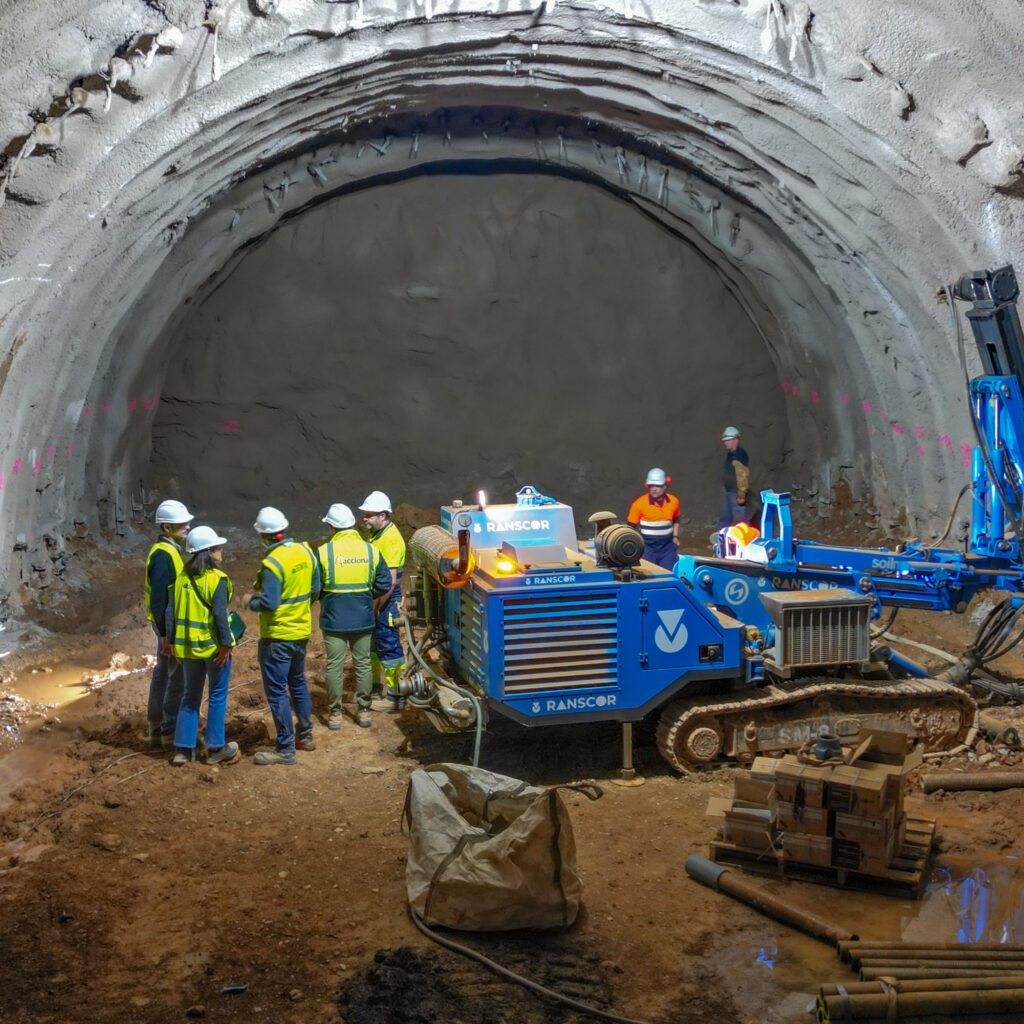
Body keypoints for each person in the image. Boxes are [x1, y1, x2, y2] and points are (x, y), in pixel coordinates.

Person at [243, 507, 320, 765]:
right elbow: (316, 589)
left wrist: (249, 602)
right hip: (301, 631)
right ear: (284, 530)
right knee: (297, 682)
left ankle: (285, 748)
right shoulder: (305, 552)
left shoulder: (272, 564)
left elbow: (269, 603)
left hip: (277, 636)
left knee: (277, 691)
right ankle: (305, 737)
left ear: (263, 536)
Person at [166, 525, 240, 767]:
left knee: (190, 695)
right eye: (217, 547)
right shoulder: (217, 579)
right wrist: (226, 645)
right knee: (217, 695)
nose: (221, 550)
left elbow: (170, 614)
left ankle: (182, 750)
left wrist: (172, 644)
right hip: (213, 649)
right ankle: (217, 748)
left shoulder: (181, 579)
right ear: (208, 552)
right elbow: (219, 616)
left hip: (187, 649)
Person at [316, 503, 392, 730]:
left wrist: (327, 598)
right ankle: (364, 711)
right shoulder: (371, 551)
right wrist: (366, 597)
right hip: (363, 618)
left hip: (334, 620)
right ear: (352, 525)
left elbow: (315, 587)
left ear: (332, 528)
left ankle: (335, 715)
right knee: (363, 665)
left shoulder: (323, 552)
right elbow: (384, 583)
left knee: (334, 666)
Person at [144, 499, 193, 749]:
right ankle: (167, 729)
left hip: (167, 624)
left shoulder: (168, 551)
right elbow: (159, 599)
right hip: (167, 627)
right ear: (166, 527)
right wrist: (165, 636)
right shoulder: (163, 556)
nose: (188, 526)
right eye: (182, 523)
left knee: (164, 673)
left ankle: (157, 729)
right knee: (175, 676)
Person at [358, 491, 407, 711]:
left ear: (383, 515)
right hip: (377, 598)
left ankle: (396, 697)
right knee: (374, 645)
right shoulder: (377, 535)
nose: (365, 519)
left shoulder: (391, 539)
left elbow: (390, 582)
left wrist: (375, 607)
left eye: (369, 515)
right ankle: (374, 688)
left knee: (389, 645)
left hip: (386, 600)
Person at [626, 468, 681, 569]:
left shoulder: (673, 501)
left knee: (669, 574)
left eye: (658, 486)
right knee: (647, 574)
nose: (654, 489)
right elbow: (630, 528)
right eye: (652, 485)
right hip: (647, 548)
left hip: (667, 548)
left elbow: (676, 519)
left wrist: (675, 537)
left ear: (665, 486)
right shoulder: (639, 504)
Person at [720, 426, 751, 529]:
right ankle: (723, 538)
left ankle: (745, 538)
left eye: (728, 440)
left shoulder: (740, 454)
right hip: (729, 492)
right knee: (725, 519)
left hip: (736, 493)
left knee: (740, 521)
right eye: (725, 441)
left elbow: (742, 475)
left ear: (735, 440)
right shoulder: (730, 454)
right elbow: (729, 472)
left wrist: (741, 493)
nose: (725, 443)